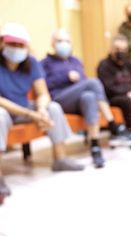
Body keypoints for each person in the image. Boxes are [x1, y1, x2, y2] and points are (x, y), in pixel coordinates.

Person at [0, 23, 84, 198]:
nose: (16, 48)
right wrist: (31, 114)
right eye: (12, 44)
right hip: (5, 110)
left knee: (53, 107)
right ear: (2, 43)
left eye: (20, 45)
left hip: (25, 108)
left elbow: (43, 93)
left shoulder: (31, 63)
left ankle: (60, 159)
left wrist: (41, 109)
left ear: (27, 46)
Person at [41, 29, 131, 168]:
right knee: (93, 82)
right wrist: (65, 77)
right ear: (52, 43)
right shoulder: (45, 63)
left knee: (89, 96)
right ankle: (113, 125)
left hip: (78, 99)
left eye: (67, 41)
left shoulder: (76, 61)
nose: (64, 44)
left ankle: (95, 147)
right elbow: (43, 86)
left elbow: (83, 81)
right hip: (59, 99)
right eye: (60, 41)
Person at [97, 35, 131, 132]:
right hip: (114, 97)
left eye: (123, 49)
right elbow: (109, 88)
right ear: (111, 49)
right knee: (127, 101)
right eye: (117, 49)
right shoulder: (104, 65)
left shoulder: (130, 64)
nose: (120, 52)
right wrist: (129, 94)